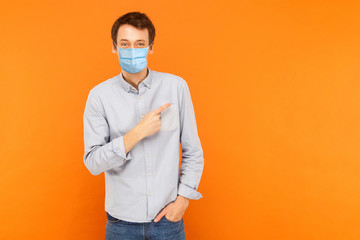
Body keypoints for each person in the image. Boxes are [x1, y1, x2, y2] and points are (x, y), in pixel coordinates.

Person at [82, 11, 204, 240]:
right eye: (124, 44)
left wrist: (183, 199)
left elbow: (193, 150)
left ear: (151, 47)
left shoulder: (176, 87)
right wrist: (137, 133)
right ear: (114, 47)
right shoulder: (99, 96)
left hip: (168, 220)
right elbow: (93, 162)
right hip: (121, 224)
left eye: (139, 44)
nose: (132, 50)